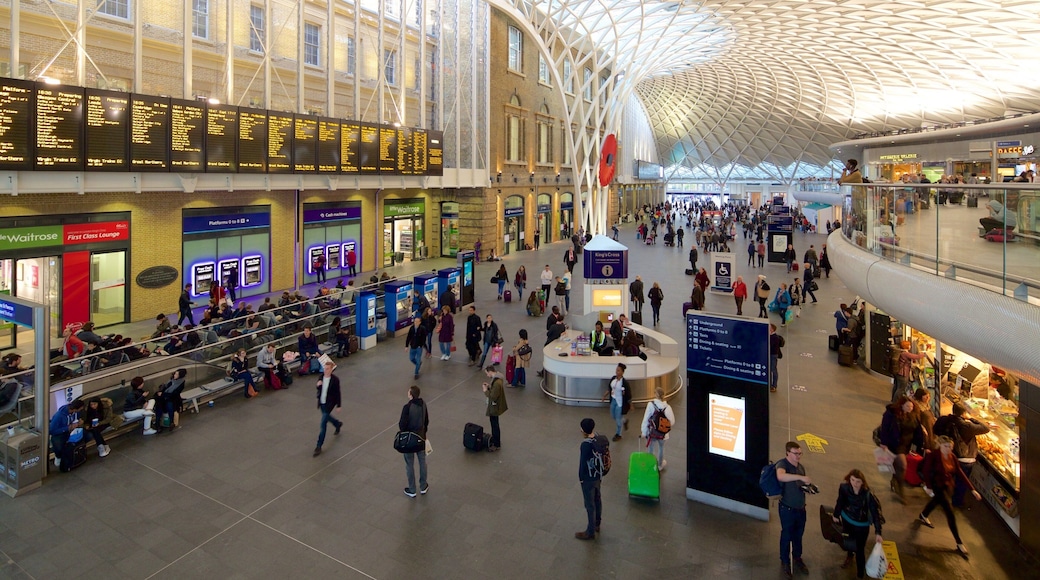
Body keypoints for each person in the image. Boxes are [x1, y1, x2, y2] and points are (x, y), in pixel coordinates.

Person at [918, 436, 981, 558]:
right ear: (940, 446)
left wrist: (972, 489)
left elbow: (959, 473)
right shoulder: (934, 456)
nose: (948, 449)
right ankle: (959, 542)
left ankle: (923, 515)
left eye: (950, 447)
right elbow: (926, 471)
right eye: (945, 446)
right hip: (937, 485)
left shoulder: (952, 457)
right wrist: (929, 486)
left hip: (947, 486)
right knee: (950, 513)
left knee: (936, 501)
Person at [933, 402, 990, 507]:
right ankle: (956, 502)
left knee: (947, 476)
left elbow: (935, 430)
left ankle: (942, 496)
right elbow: (986, 428)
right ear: (964, 413)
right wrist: (972, 418)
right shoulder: (967, 426)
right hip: (964, 458)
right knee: (961, 481)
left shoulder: (944, 420)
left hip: (948, 454)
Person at [832, 469, 883, 578]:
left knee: (860, 550)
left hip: (861, 526)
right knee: (849, 541)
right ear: (849, 479)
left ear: (862, 482)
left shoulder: (868, 494)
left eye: (858, 481)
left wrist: (878, 532)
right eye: (852, 480)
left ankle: (860, 574)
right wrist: (836, 515)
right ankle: (849, 556)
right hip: (847, 519)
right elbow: (840, 501)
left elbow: (875, 514)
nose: (854, 483)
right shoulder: (844, 488)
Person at [776, 441, 812, 579]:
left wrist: (808, 488)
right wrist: (800, 477)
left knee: (798, 535)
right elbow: (781, 476)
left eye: (800, 453)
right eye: (795, 453)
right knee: (787, 534)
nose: (798, 456)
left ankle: (797, 557)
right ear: (787, 453)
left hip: (800, 509)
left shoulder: (801, 467)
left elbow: (800, 486)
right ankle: (785, 560)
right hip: (787, 508)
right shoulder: (782, 464)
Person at [878, 395, 923, 502]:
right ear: (901, 405)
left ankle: (894, 480)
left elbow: (917, 430)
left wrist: (920, 445)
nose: (910, 408)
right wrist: (883, 443)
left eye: (911, 407)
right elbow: (885, 428)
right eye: (908, 406)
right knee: (903, 465)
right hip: (894, 444)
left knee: (897, 465)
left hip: (906, 445)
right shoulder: (891, 414)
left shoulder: (914, 416)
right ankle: (900, 489)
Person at [399, 385, 429, 497]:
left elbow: (402, 425)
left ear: (411, 395)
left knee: (409, 463)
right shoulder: (424, 404)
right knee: (422, 462)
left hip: (410, 440)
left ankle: (412, 489)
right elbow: (426, 421)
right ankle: (423, 485)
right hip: (421, 437)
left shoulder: (407, 407)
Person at [575, 417, 602, 541]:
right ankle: (597, 523)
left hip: (588, 478)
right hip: (598, 475)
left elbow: (582, 464)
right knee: (597, 499)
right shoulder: (599, 438)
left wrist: (581, 478)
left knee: (589, 504)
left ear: (583, 431)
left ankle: (590, 531)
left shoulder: (585, 445)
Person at [640, 387, 675, 471]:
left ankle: (650, 464)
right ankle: (660, 465)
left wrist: (644, 432)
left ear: (655, 395)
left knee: (650, 448)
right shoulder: (668, 407)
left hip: (652, 432)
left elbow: (646, 419)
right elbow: (672, 421)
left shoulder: (650, 405)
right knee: (661, 448)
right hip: (663, 434)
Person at [313, 360, 343, 456]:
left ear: (331, 369)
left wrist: (339, 405)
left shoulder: (335, 380)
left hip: (329, 404)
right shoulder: (321, 377)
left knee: (323, 424)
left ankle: (319, 445)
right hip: (322, 402)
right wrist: (318, 386)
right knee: (326, 417)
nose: (325, 371)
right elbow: (319, 389)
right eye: (324, 369)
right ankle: (337, 424)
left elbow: (338, 393)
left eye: (327, 369)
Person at [49, 399, 85, 468]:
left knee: (87, 435)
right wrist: (67, 428)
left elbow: (78, 418)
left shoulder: (76, 413)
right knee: (58, 446)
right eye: (80, 409)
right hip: (60, 433)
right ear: (75, 409)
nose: (80, 410)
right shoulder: (59, 416)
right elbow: (52, 430)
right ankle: (58, 456)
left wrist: (79, 422)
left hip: (73, 431)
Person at [600, 363, 631, 441]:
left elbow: (628, 394)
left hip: (620, 402)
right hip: (613, 400)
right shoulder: (613, 379)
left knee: (617, 419)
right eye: (616, 370)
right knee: (613, 416)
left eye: (618, 370)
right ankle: (624, 420)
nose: (616, 372)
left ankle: (618, 434)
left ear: (622, 372)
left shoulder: (624, 383)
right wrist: (604, 396)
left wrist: (630, 404)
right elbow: (610, 389)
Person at [482, 366, 507, 451]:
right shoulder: (497, 379)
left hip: (494, 406)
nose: (487, 375)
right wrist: (489, 387)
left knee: (494, 425)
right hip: (496, 405)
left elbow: (493, 396)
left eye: (487, 373)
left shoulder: (496, 383)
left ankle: (496, 444)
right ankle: (496, 441)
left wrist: (486, 390)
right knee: (494, 424)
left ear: (490, 372)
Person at [156, 369, 187, 433]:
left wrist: (163, 394)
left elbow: (174, 394)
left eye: (177, 374)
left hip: (172, 398)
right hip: (163, 397)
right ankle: (158, 423)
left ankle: (171, 422)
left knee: (169, 405)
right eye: (175, 374)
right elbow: (165, 387)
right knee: (159, 406)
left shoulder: (181, 383)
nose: (175, 375)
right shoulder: (171, 380)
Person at [769, 324, 784, 392]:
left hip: (773, 355)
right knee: (770, 370)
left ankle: (774, 385)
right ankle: (770, 384)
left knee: (773, 369)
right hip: (771, 354)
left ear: (772, 329)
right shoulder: (771, 336)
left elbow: (771, 347)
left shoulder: (774, 338)